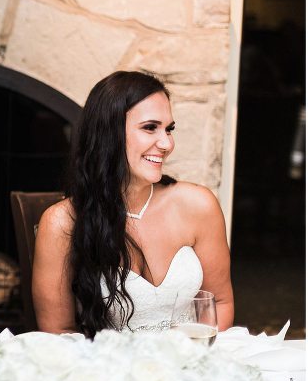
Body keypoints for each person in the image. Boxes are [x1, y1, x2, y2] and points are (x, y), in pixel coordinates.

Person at [32, 71, 233, 337]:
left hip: (190, 364)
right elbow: (58, 332)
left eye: (169, 129)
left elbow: (219, 303)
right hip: (109, 371)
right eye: (150, 127)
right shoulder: (62, 222)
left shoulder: (198, 205)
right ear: (108, 132)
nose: (166, 143)